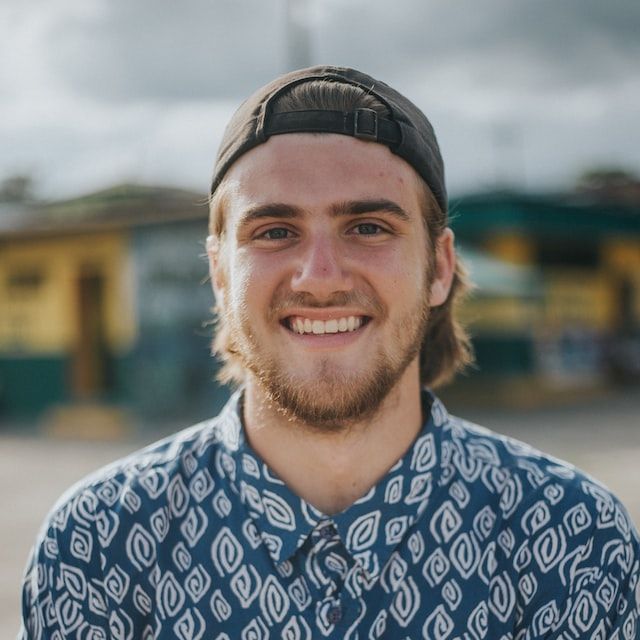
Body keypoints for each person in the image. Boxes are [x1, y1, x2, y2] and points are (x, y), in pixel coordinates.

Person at [20, 66, 640, 639]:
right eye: (275, 231)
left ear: (439, 267)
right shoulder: (97, 544)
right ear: (219, 274)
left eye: (368, 227)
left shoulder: (573, 539)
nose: (319, 278)